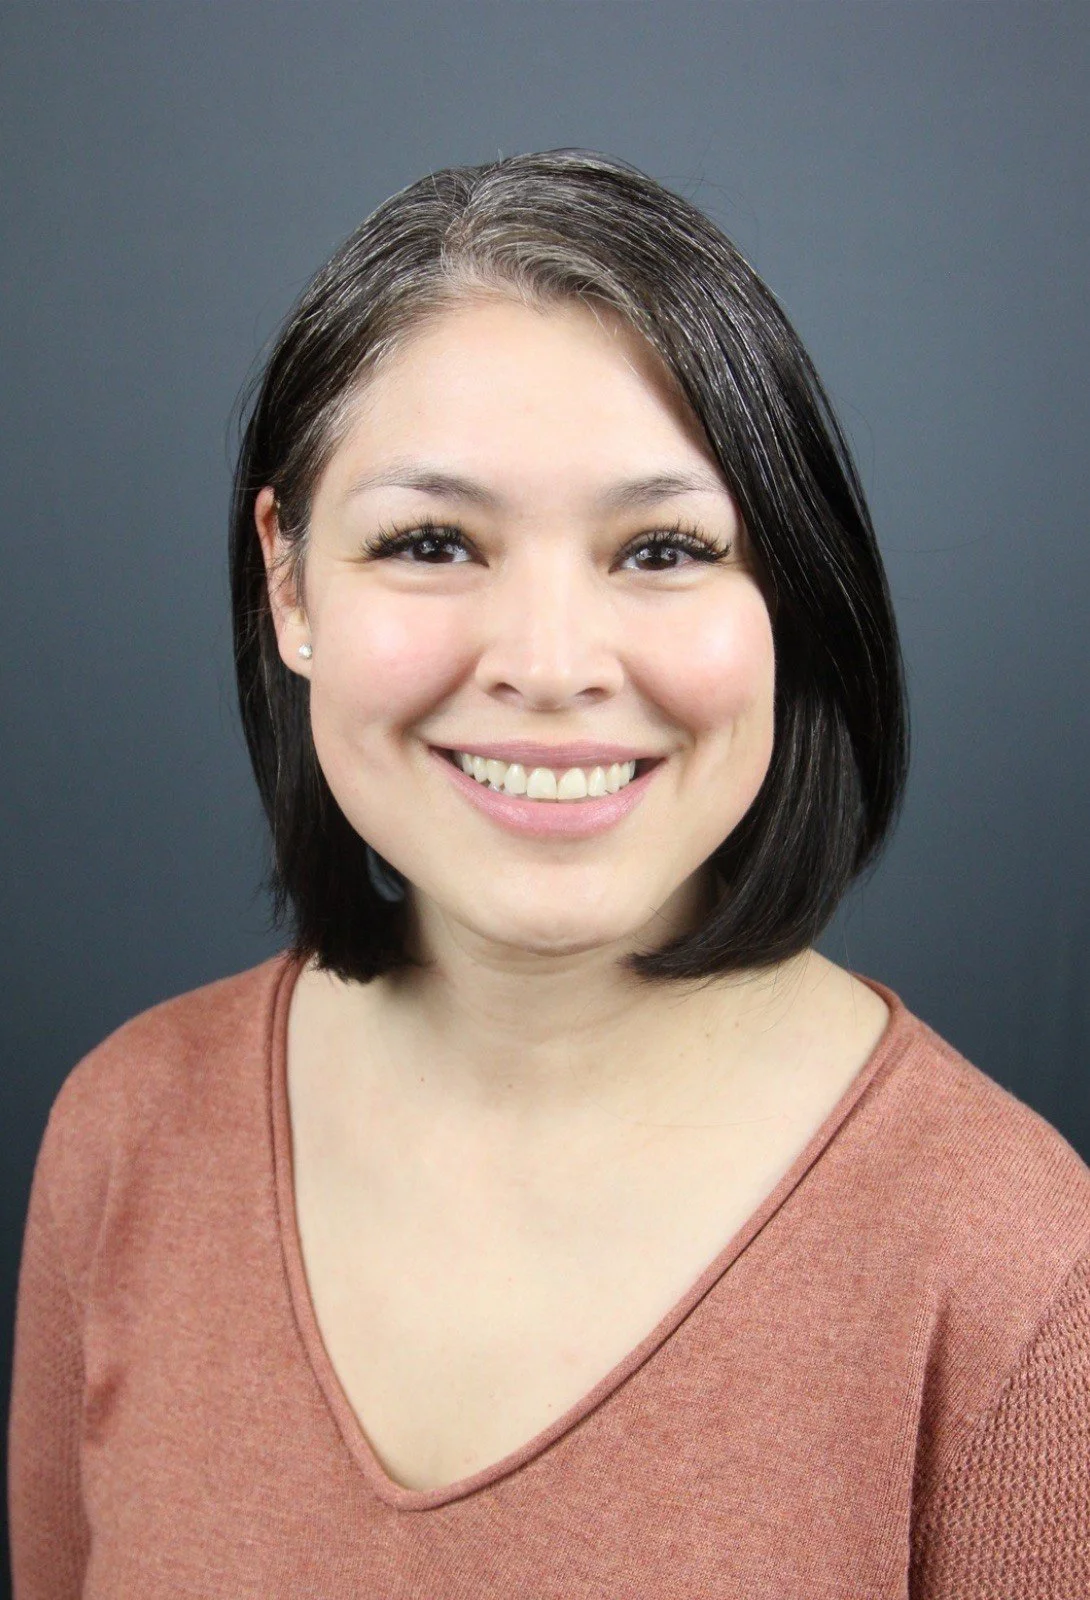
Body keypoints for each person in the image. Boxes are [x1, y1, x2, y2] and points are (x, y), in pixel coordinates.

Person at [8, 148, 1089, 1597]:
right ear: (287, 582)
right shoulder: (124, 1133)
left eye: (659, 547)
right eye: (431, 540)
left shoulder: (1017, 1269)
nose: (549, 665)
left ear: (792, 597)